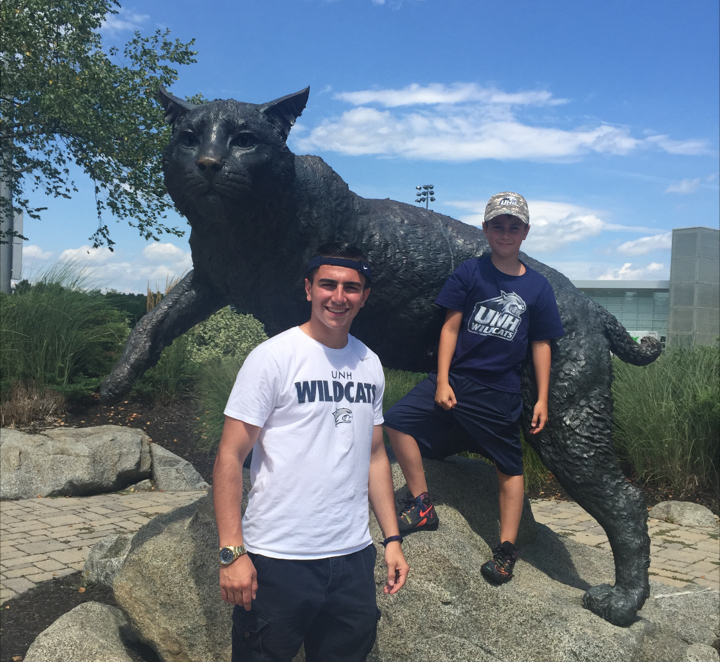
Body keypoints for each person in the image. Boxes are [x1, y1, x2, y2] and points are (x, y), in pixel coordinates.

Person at [213, 242, 409, 662]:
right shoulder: (272, 358)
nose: (339, 297)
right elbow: (230, 456)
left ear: (364, 296)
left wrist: (392, 539)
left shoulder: (369, 364)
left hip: (352, 557)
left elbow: (376, 455)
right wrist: (232, 552)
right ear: (308, 289)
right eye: (328, 284)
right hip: (278, 559)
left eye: (351, 287)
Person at [384, 191, 564, 584]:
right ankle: (423, 505)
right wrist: (443, 379)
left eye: (513, 227)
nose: (505, 233)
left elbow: (541, 344)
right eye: (497, 226)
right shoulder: (470, 272)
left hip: (499, 393)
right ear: (485, 230)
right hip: (458, 381)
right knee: (395, 420)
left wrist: (543, 399)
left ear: (525, 233)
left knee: (510, 469)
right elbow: (450, 327)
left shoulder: (537, 287)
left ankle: (505, 550)